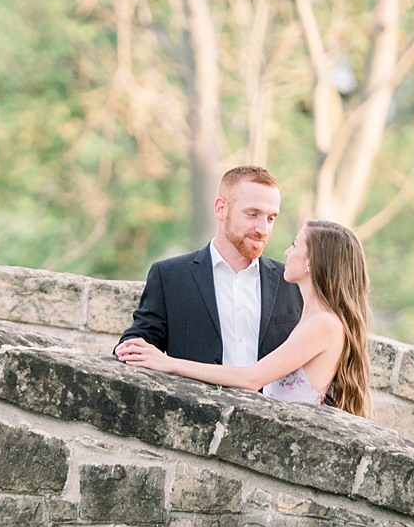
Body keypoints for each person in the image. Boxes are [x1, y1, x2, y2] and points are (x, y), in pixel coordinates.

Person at [116, 218, 373, 416]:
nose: (286, 252)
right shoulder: (314, 318)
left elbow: (252, 378)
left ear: (311, 262)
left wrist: (168, 363)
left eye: (295, 245)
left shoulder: (324, 325)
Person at [115, 165, 304, 375]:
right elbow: (139, 341)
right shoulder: (170, 276)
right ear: (221, 208)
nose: (263, 229)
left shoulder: (292, 282)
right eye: (253, 214)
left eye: (271, 218)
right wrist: (130, 348)